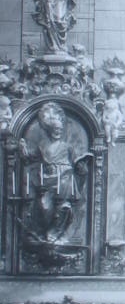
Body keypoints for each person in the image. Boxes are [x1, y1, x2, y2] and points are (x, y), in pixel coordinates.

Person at [19, 102, 91, 243]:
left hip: (64, 178)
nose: (58, 131)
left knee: (63, 207)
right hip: (47, 179)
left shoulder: (67, 146)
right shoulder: (42, 145)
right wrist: (23, 149)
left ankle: (57, 232)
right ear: (49, 129)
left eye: (60, 129)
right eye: (55, 128)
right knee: (44, 206)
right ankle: (46, 231)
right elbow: (30, 157)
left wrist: (82, 167)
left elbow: (76, 162)